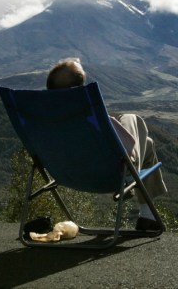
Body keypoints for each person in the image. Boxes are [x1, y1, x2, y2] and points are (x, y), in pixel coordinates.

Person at [46, 58, 167, 231]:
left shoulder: (43, 119)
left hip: (66, 175)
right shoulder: (89, 115)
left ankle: (147, 217)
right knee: (131, 118)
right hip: (111, 174)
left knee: (147, 144)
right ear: (80, 87)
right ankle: (131, 178)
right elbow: (120, 142)